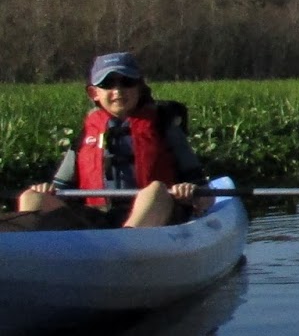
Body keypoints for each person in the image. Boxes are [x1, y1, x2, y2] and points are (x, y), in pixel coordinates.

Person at [16, 52, 208, 229]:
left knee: (157, 189)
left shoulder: (164, 127)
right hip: (98, 218)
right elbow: (60, 188)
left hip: (156, 216)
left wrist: (189, 192)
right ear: (94, 93)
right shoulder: (86, 134)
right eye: (108, 84)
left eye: (126, 82)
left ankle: (127, 246)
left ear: (139, 87)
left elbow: (204, 193)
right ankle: (27, 257)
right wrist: (46, 189)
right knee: (33, 197)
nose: (118, 91)